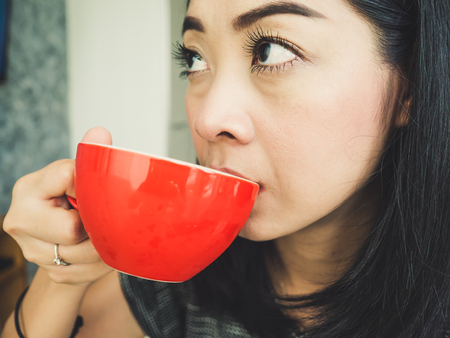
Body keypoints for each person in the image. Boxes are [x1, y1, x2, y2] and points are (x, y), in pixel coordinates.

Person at [2, 0, 450, 337]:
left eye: (273, 51)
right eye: (195, 59)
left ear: (407, 83)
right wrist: (63, 275)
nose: (208, 118)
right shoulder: (177, 281)